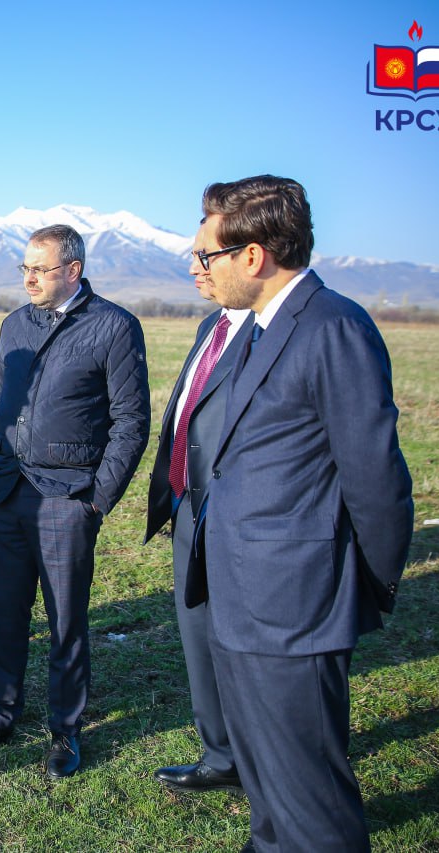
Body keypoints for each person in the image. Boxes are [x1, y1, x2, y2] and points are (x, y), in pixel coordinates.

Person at [189, 175, 413, 852]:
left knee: (309, 796)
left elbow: (375, 479)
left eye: (208, 256)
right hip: (242, 599)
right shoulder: (260, 328)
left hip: (294, 608)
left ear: (253, 256)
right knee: (266, 780)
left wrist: (363, 584)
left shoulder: (332, 327)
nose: (201, 269)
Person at [0, 224, 150, 780]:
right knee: (3, 610)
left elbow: (131, 421)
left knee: (66, 618)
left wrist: (98, 498)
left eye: (39, 269)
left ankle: (65, 729)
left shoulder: (114, 326)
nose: (29, 278)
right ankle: (0, 714)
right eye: (24, 268)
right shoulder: (14, 324)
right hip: (3, 491)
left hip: (67, 496)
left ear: (73, 270)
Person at [142, 222, 253, 793]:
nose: (193, 269)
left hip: (241, 520)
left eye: (203, 257)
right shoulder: (212, 326)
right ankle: (220, 754)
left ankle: (262, 761)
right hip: (189, 506)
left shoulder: (274, 330)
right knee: (198, 636)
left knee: (247, 649)